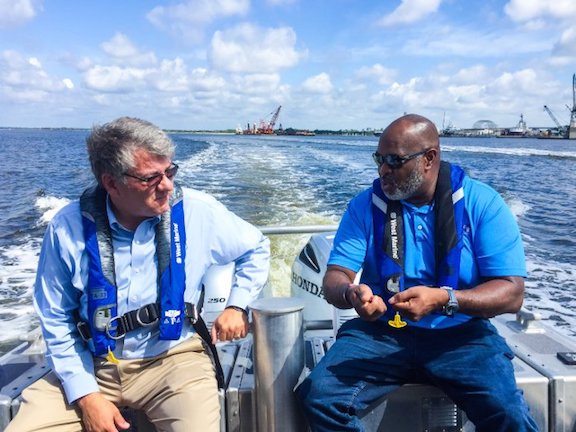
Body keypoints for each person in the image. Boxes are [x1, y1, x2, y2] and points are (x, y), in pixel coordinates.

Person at [7, 117, 270, 432]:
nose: (167, 186)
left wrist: (236, 305)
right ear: (112, 183)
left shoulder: (199, 212)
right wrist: (87, 395)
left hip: (173, 359)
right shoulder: (67, 229)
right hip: (90, 362)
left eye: (170, 172)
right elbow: (54, 316)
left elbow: (256, 247)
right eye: (151, 178)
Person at [296, 114, 538, 432]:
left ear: (429, 159)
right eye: (379, 160)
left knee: (510, 414)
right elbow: (335, 278)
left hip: (462, 336)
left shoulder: (483, 204)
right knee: (318, 398)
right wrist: (351, 294)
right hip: (381, 333)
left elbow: (511, 292)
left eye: (394, 161)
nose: (383, 170)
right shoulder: (363, 206)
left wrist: (444, 299)